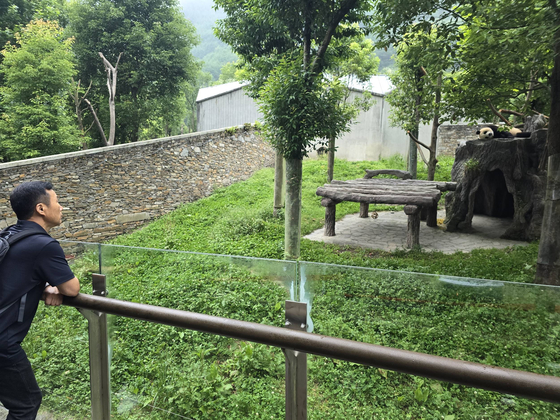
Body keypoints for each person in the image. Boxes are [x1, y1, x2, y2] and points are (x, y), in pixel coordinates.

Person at [0, 181, 80, 420]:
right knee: (27, 404)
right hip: (2, 343)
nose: (62, 207)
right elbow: (71, 288)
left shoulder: (8, 235)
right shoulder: (44, 244)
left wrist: (43, 283)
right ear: (41, 209)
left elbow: (15, 275)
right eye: (57, 202)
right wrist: (51, 285)